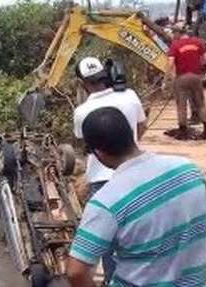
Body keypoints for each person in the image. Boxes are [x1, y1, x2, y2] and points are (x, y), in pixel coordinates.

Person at [66, 107, 206, 286]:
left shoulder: (106, 202)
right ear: (131, 134)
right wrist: (194, 269)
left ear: (98, 152)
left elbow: (76, 271)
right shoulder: (188, 170)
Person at [73, 57, 147, 285]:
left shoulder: (82, 111)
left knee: (109, 240)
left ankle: (113, 280)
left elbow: (82, 141)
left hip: (102, 180)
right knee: (139, 229)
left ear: (81, 82)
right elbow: (142, 126)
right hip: (135, 170)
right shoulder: (130, 96)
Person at [166, 23, 206, 140]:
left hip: (182, 78)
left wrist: (171, 78)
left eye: (174, 33)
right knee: (200, 104)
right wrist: (198, 68)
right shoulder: (198, 42)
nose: (173, 35)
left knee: (181, 105)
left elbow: (171, 63)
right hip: (196, 77)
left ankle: (183, 132)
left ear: (177, 33)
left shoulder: (175, 45)